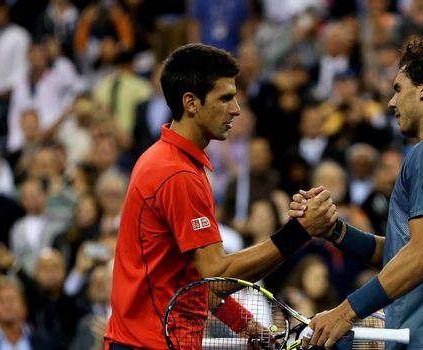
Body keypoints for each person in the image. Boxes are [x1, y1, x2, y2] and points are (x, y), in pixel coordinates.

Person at [104, 43, 336, 349]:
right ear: (191, 103)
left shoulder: (167, 159)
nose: (236, 109)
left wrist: (246, 324)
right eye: (225, 97)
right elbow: (216, 275)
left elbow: (195, 280)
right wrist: (298, 232)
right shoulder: (178, 174)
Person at [292, 36, 423, 349]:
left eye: (398, 89)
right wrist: (334, 230)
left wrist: (346, 312)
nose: (391, 102)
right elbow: (404, 253)